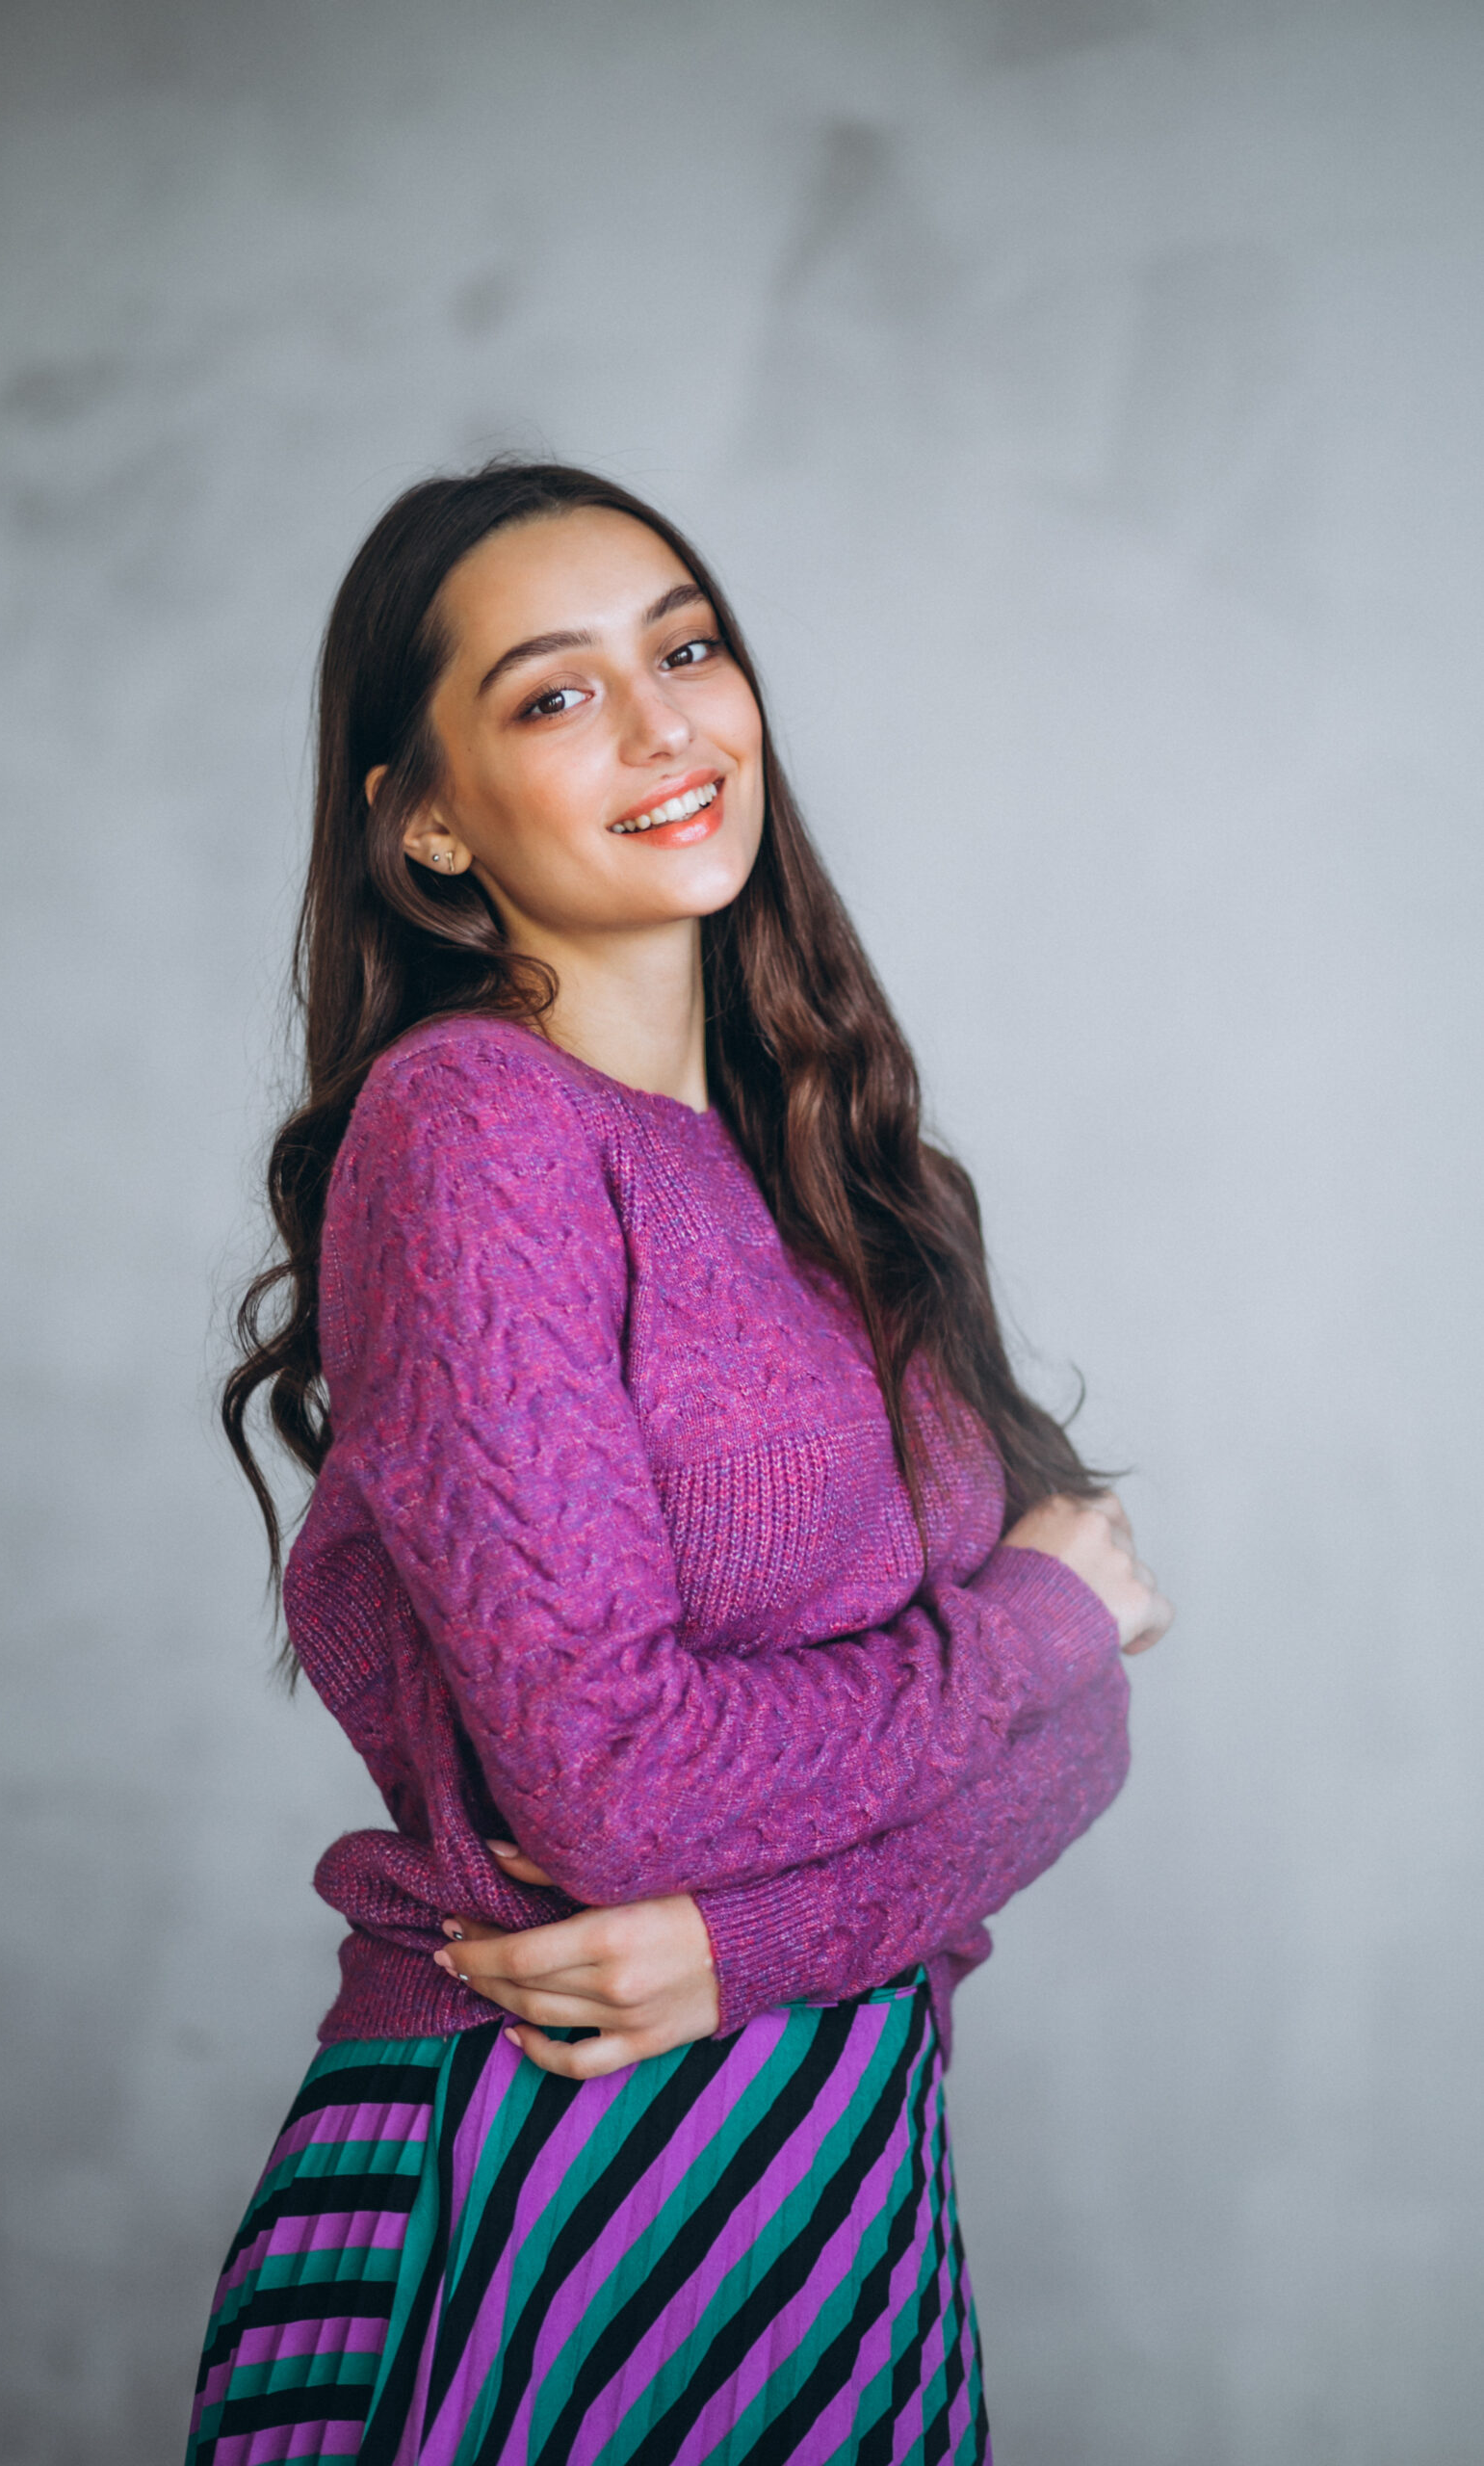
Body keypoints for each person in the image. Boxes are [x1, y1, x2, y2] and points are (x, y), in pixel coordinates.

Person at [187, 460, 1171, 2466]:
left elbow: (1079, 1750)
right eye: (553, 694)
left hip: (842, 2197)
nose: (661, 724)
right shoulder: (471, 1130)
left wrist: (762, 1939)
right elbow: (618, 1784)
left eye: (686, 645)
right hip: (565, 2185)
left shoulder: (822, 1161)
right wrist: (1041, 1620)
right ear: (425, 819)